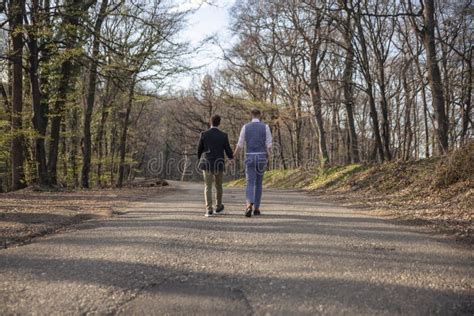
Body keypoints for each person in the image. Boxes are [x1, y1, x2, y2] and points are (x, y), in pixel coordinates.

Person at [234, 109, 272, 217]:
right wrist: (269, 157)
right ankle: (257, 208)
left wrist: (233, 157)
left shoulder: (245, 127)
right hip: (261, 157)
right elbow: (269, 145)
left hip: (249, 156)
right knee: (259, 184)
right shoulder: (265, 127)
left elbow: (240, 145)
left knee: (250, 182)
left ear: (251, 115)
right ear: (260, 115)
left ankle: (248, 205)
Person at [197, 115, 234, 217]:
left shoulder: (204, 134)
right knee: (218, 186)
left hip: (207, 163)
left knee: (207, 186)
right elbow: (227, 149)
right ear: (219, 123)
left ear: (210, 122)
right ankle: (218, 206)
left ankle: (209, 209)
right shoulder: (223, 135)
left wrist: (199, 158)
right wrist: (231, 158)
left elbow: (199, 149)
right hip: (219, 163)